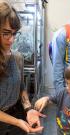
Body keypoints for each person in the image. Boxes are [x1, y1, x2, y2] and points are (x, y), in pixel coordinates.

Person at [0, 2, 44, 134]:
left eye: (14, 34)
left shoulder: (17, 58)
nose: (11, 40)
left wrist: (28, 108)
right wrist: (17, 122)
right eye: (6, 33)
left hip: (17, 113)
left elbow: (21, 87)